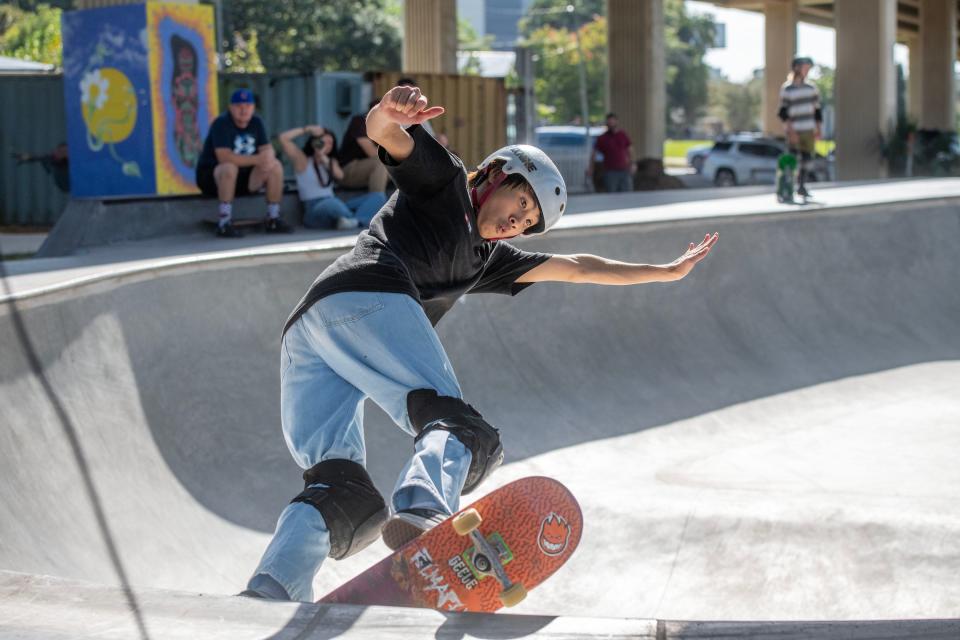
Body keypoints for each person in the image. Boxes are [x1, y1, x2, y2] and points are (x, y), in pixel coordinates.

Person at [241, 84, 719, 602]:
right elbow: (386, 136)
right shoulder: (444, 182)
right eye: (521, 201)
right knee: (460, 428)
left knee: (342, 494)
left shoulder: (490, 259)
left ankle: (272, 586)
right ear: (494, 175)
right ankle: (425, 504)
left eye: (530, 221)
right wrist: (388, 113)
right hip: (364, 295)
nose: (519, 220)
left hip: (309, 335)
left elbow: (579, 268)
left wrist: (664, 272)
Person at [195, 88, 290, 237]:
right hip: (214, 180)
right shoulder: (221, 123)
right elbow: (224, 157)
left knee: (275, 165)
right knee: (229, 167)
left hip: (245, 178)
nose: (243, 110)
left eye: (248, 106)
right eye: (239, 106)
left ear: (253, 108)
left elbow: (267, 148)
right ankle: (224, 222)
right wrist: (259, 159)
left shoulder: (257, 122)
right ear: (231, 108)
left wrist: (268, 158)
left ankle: (273, 218)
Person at [277, 124, 387, 229]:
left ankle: (351, 221)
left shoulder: (330, 162)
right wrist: (307, 129)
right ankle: (358, 220)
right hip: (314, 209)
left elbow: (340, 175)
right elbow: (283, 138)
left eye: (331, 143)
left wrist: (324, 158)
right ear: (315, 142)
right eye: (325, 141)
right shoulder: (303, 161)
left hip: (335, 204)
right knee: (333, 204)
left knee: (378, 197)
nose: (328, 145)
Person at [778, 56, 822, 199]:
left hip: (808, 128)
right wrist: (790, 131)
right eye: (805, 67)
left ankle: (802, 186)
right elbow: (783, 112)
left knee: (807, 159)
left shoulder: (811, 88)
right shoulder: (787, 88)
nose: (807, 70)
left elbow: (817, 111)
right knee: (792, 159)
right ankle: (788, 187)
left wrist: (818, 129)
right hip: (794, 130)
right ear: (796, 68)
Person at [338, 101, 390, 196]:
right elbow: (372, 153)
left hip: (367, 171)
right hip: (345, 170)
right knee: (381, 162)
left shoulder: (383, 127)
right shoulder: (360, 121)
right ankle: (377, 202)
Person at [589, 113, 635, 192]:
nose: (611, 124)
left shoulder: (622, 135)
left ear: (616, 122)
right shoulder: (602, 138)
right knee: (612, 194)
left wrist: (633, 163)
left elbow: (630, 150)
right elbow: (594, 154)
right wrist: (591, 168)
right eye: (609, 122)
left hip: (624, 170)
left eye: (612, 121)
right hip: (610, 171)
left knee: (628, 193)